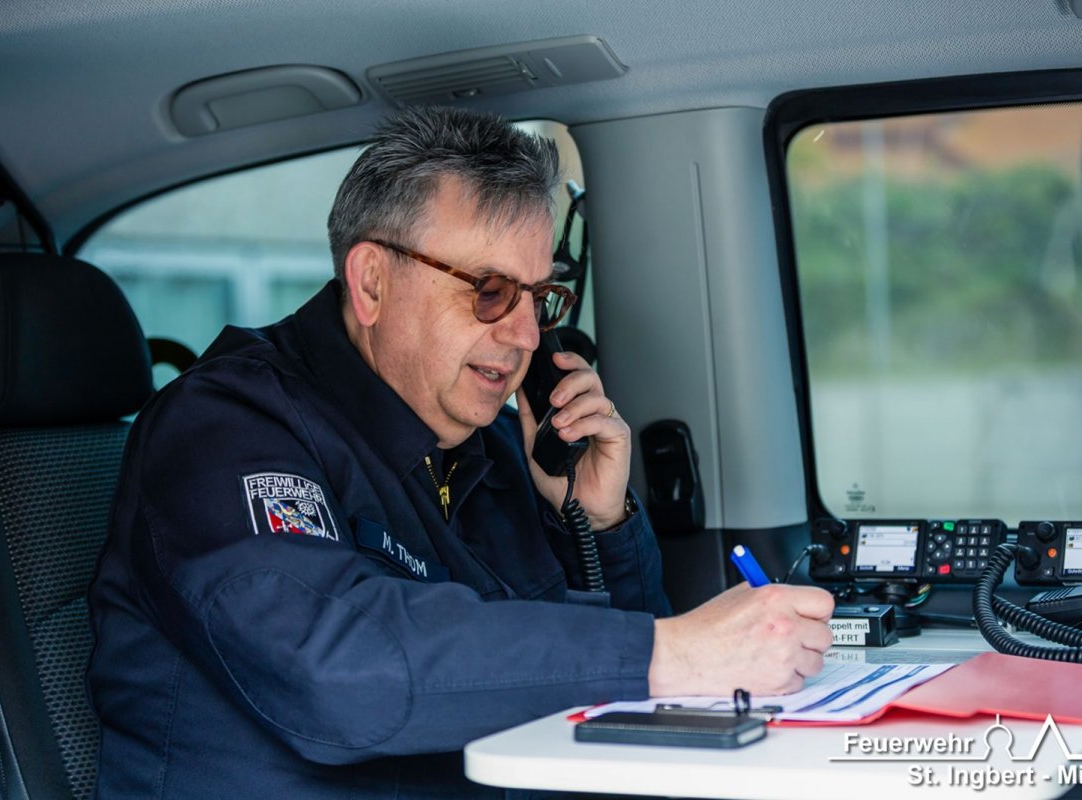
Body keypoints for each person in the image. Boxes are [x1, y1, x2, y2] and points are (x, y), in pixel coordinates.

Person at [87, 105, 834, 799]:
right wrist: (666, 653)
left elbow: (611, 677)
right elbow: (341, 669)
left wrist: (597, 524)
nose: (525, 337)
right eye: (487, 291)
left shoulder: (497, 446)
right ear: (372, 282)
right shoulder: (225, 426)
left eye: (539, 299)